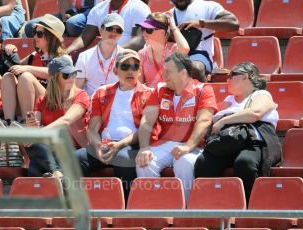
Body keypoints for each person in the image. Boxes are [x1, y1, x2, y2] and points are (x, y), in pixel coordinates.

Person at [194, 62, 281, 202]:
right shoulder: (229, 100)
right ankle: (209, 205)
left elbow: (255, 113)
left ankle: (249, 209)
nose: (227, 80)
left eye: (232, 75)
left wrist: (223, 121)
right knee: (203, 162)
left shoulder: (261, 94)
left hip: (254, 141)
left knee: (245, 162)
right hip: (229, 141)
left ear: (246, 77)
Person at [136, 52, 217, 199]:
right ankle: (152, 211)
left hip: (194, 146)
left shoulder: (203, 89)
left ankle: (185, 212)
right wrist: (144, 148)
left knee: (184, 162)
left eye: (169, 71)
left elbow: (204, 121)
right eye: (164, 70)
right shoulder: (160, 89)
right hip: (165, 144)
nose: (164, 75)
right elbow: (147, 120)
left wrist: (188, 146)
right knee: (144, 162)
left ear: (183, 72)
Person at [77, 49, 153, 198]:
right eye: (125, 66)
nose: (130, 71)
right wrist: (98, 147)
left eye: (135, 67)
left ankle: (126, 209)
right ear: (115, 70)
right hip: (105, 144)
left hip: (132, 144)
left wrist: (119, 145)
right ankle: (82, 205)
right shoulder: (101, 92)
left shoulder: (149, 93)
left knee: (123, 159)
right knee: (75, 158)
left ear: (139, 70)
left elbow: (146, 129)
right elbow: (91, 129)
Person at [25, 55, 90, 179]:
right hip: (54, 149)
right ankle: (56, 172)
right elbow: (34, 130)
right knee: (31, 144)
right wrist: (31, 127)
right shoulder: (43, 100)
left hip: (76, 149)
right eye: (66, 75)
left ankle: (54, 173)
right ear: (53, 78)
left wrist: (38, 134)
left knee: (37, 163)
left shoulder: (81, 95)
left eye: (74, 73)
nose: (72, 78)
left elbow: (66, 120)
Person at [1, 14, 66, 124]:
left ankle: (28, 124)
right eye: (34, 33)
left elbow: (54, 73)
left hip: (51, 106)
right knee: (8, 77)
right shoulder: (33, 55)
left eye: (39, 34)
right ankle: (9, 123)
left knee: (26, 76)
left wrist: (27, 68)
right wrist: (12, 52)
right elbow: (16, 68)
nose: (35, 37)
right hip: (31, 102)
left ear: (52, 37)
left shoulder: (63, 58)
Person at [171, 0, 239, 81]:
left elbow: (234, 23)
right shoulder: (170, 14)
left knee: (194, 68)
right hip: (177, 54)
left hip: (200, 54)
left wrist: (201, 23)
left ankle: (203, 92)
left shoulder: (208, 7)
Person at [66, 0, 150, 54]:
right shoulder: (98, 9)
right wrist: (67, 51)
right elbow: (84, 38)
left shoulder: (140, 8)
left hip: (127, 60)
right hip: (104, 59)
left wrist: (113, 52)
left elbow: (140, 40)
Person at [74, 13, 125, 96]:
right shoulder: (84, 57)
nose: (114, 33)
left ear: (121, 34)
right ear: (101, 30)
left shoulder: (126, 57)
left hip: (115, 105)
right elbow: (77, 89)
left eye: (118, 30)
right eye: (110, 28)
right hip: (91, 104)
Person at [137, 12, 189, 88]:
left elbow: (185, 48)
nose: (144, 33)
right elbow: (139, 86)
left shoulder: (173, 49)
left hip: (171, 97)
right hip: (150, 98)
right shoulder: (141, 54)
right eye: (143, 29)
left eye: (148, 30)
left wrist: (173, 26)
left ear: (162, 32)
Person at [24, 0, 103, 38]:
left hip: (94, 11)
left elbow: (102, 6)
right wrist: (64, 16)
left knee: (72, 25)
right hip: (73, 12)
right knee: (32, 26)